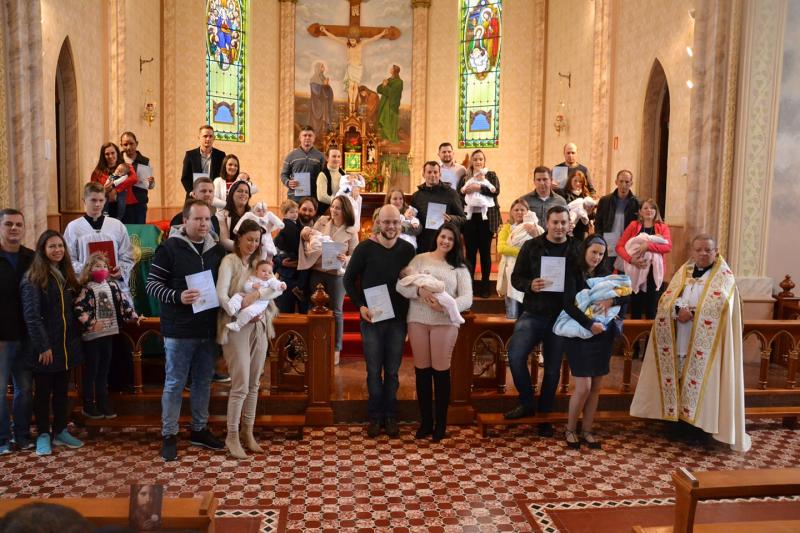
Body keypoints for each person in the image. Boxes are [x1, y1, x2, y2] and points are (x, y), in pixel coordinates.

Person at [630, 234, 751, 452]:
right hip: (680, 337)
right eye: (699, 250)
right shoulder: (683, 272)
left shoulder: (724, 277)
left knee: (699, 383)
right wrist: (678, 310)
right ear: (692, 251)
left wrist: (693, 312)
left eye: (708, 249)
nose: (703, 253)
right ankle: (676, 424)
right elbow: (667, 299)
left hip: (706, 345)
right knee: (677, 378)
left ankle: (698, 428)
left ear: (715, 252)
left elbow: (723, 305)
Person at [146, 199, 227, 461]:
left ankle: (199, 429)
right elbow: (152, 285)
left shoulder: (217, 250)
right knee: (174, 383)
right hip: (179, 330)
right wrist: (178, 296)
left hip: (207, 328)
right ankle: (169, 434)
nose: (204, 224)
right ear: (185, 221)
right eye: (198, 219)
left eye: (207, 219)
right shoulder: (169, 248)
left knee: (203, 382)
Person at [343, 205, 415, 437]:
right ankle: (375, 417)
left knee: (392, 372)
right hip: (372, 319)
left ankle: (391, 416)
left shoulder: (408, 249)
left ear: (400, 223)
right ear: (378, 223)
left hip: (397, 321)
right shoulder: (365, 248)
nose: (391, 226)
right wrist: (360, 306)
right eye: (386, 222)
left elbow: (413, 283)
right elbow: (348, 279)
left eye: (395, 222)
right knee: (373, 371)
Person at [504, 206, 576, 437]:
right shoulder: (532, 246)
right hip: (534, 312)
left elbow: (587, 276)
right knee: (515, 355)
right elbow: (516, 278)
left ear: (568, 224)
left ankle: (544, 415)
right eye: (555, 222)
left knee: (553, 370)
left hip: (561, 317)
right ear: (547, 222)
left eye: (563, 222)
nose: (559, 227)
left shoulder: (575, 248)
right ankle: (527, 403)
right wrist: (529, 285)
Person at [397, 223, 472, 442]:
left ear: (455, 243)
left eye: (450, 239)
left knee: (440, 373)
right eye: (443, 237)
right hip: (418, 320)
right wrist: (418, 290)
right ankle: (426, 422)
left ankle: (441, 423)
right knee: (422, 371)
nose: (446, 241)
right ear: (437, 237)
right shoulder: (420, 259)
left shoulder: (459, 267)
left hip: (445, 323)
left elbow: (467, 298)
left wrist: (446, 307)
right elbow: (401, 286)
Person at [216, 220, 279, 459]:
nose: (253, 244)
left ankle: (248, 432)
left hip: (260, 325)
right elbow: (221, 294)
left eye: (256, 240)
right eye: (249, 239)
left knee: (254, 383)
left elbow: (270, 289)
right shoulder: (229, 261)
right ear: (239, 238)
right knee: (240, 384)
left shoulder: (258, 264)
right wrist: (240, 307)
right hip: (236, 328)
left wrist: (263, 306)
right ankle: (231, 436)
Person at [559, 236, 628, 450]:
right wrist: (589, 324)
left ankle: (587, 430)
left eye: (601, 253)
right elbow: (568, 305)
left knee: (597, 386)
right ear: (584, 250)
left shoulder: (606, 273)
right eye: (593, 252)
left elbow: (626, 296)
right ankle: (571, 428)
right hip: (580, 333)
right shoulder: (572, 271)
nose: (597, 257)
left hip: (602, 334)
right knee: (584, 386)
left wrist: (613, 301)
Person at [20, 230, 84, 455]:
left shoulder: (64, 273)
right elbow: (32, 315)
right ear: (42, 250)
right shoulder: (34, 277)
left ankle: (60, 431)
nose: (57, 250)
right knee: (43, 393)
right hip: (45, 348)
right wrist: (43, 346)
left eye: (60, 246)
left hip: (65, 346)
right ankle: (44, 434)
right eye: (52, 246)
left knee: (61, 392)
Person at [74, 252, 138, 420]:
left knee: (104, 370)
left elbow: (123, 303)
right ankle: (88, 404)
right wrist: (91, 323)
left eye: (104, 266)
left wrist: (132, 314)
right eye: (97, 266)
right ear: (90, 269)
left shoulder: (112, 285)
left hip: (109, 333)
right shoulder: (86, 288)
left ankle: (103, 402)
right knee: (92, 370)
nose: (101, 269)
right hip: (92, 336)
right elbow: (79, 308)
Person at [299, 196, 359, 364]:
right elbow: (309, 237)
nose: (333, 210)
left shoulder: (351, 231)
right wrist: (305, 235)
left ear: (345, 210)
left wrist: (345, 258)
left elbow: (355, 254)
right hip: (318, 270)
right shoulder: (322, 221)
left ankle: (336, 349)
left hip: (337, 275)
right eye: (333, 207)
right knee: (313, 307)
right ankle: (313, 345)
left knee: (337, 311)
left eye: (338, 208)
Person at [0, 209, 34, 453]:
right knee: (0, 390)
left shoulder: (31, 258)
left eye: (18, 224)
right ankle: (2, 439)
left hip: (26, 334)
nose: (14, 228)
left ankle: (21, 434)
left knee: (25, 388)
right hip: (1, 336)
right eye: (8, 224)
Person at [64, 182, 135, 298]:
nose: (97, 204)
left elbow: (127, 256)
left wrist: (121, 270)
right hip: (86, 288)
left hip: (113, 286)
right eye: (93, 200)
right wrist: (89, 270)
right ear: (84, 200)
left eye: (101, 200)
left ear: (105, 200)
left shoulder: (117, 226)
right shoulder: (74, 227)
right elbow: (68, 259)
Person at [616, 198, 672, 319]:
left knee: (651, 308)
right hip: (635, 269)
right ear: (640, 211)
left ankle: (649, 338)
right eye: (645, 208)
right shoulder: (633, 225)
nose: (649, 210)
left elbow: (668, 247)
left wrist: (648, 246)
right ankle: (635, 337)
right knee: (636, 306)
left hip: (653, 272)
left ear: (656, 211)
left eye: (652, 208)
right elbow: (619, 247)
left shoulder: (662, 227)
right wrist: (632, 260)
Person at [457, 150, 500, 297]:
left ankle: (485, 285)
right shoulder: (465, 178)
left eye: (481, 159)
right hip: (470, 220)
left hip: (486, 220)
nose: (478, 161)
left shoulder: (491, 175)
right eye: (475, 159)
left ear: (484, 161)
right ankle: (469, 286)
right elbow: (459, 196)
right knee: (470, 254)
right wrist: (468, 196)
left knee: (485, 253)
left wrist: (479, 188)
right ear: (472, 162)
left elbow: (496, 192)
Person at [318, 26, 389, 114]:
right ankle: (351, 104)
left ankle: (353, 101)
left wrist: (382, 33)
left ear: (357, 39)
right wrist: (325, 31)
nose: (352, 42)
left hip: (358, 68)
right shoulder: (347, 45)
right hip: (351, 67)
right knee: (351, 86)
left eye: (353, 40)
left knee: (355, 86)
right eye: (350, 40)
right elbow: (334, 38)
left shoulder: (361, 44)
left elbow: (373, 39)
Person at [496, 199, 543, 319]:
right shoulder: (506, 228)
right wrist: (524, 252)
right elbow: (501, 248)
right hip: (510, 269)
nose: (519, 212)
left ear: (528, 212)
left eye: (522, 210)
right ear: (511, 212)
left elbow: (540, 246)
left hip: (528, 271)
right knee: (512, 305)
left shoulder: (534, 228)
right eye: (516, 209)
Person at [410, 161, 466, 254]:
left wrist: (451, 218)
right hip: (423, 245)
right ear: (423, 174)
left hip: (444, 243)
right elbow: (413, 219)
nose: (432, 175)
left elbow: (463, 219)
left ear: (440, 174)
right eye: (429, 172)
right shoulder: (417, 196)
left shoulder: (451, 193)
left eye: (435, 172)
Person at [274, 197, 318, 313]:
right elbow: (274, 250)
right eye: (303, 209)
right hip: (287, 276)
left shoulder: (319, 227)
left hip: (308, 280)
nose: (306, 213)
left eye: (310, 210)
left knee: (305, 316)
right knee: (284, 314)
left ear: (315, 212)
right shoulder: (286, 225)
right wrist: (281, 261)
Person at [594, 170, 640, 269]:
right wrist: (599, 239)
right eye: (621, 181)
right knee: (606, 271)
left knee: (625, 273)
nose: (624, 185)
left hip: (627, 243)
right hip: (609, 241)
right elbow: (598, 223)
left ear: (631, 183)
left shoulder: (637, 203)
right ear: (616, 182)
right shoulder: (605, 200)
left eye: (627, 182)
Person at [225, 259, 285, 332]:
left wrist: (281, 285)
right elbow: (245, 287)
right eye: (263, 271)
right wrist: (252, 286)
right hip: (247, 296)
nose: (266, 274)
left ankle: (238, 325)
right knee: (237, 296)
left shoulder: (270, 281)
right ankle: (232, 308)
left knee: (248, 311)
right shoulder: (252, 279)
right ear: (256, 271)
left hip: (260, 303)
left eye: (269, 272)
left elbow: (276, 284)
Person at [398, 266, 465, 325]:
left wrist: (441, 309)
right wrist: (419, 290)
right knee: (451, 302)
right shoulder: (415, 279)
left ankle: (454, 316)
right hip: (435, 294)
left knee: (451, 303)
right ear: (409, 275)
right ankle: (455, 317)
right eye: (414, 270)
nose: (417, 270)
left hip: (439, 297)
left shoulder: (419, 276)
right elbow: (400, 286)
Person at [89, 142, 138, 220]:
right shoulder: (97, 172)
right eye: (107, 154)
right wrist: (104, 191)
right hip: (106, 209)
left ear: (117, 153)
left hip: (126, 207)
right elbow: (92, 192)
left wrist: (115, 190)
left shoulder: (126, 166)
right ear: (103, 156)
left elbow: (134, 178)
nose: (110, 156)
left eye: (113, 153)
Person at [280, 126, 325, 203]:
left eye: (310, 135)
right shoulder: (291, 155)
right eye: (305, 135)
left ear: (314, 138)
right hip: (294, 197)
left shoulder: (320, 156)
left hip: (313, 198)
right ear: (300, 138)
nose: (307, 137)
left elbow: (325, 175)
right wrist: (288, 182)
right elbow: (283, 174)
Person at [120, 131, 157, 224]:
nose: (128, 147)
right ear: (121, 145)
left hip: (139, 204)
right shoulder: (118, 159)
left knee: (139, 232)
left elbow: (150, 185)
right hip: (121, 203)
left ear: (137, 143)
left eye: (131, 143)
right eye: (125, 144)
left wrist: (151, 182)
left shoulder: (145, 161)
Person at [180, 125, 226, 195]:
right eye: (205, 136)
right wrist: (191, 192)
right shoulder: (190, 155)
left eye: (210, 136)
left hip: (213, 196)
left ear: (214, 138)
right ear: (199, 138)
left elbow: (224, 176)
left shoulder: (221, 155)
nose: (208, 139)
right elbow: (185, 178)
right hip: (194, 196)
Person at [217, 180, 252, 252]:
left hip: (251, 252)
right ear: (232, 194)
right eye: (240, 191)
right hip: (231, 254)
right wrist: (244, 249)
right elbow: (224, 241)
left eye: (246, 192)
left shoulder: (252, 214)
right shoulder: (221, 215)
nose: (243, 194)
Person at [315, 147, 346, 215]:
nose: (336, 159)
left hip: (342, 211)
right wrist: (338, 203)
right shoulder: (322, 175)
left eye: (338, 156)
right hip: (327, 212)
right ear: (327, 158)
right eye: (334, 156)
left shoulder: (343, 173)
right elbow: (321, 197)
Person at [377, 64, 403, 143]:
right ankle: (385, 138)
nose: (390, 69)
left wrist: (385, 86)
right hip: (385, 104)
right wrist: (384, 85)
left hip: (391, 105)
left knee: (388, 121)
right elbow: (379, 89)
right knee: (384, 120)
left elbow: (392, 93)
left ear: (394, 71)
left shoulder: (399, 82)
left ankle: (389, 138)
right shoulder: (389, 80)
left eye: (392, 68)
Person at [308, 61, 334, 137]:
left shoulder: (323, 77)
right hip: (316, 104)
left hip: (324, 103)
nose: (324, 68)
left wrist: (327, 86)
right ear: (318, 68)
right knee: (317, 120)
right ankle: (316, 134)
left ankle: (324, 134)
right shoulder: (314, 79)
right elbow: (316, 92)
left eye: (323, 67)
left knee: (324, 119)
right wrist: (324, 85)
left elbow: (327, 91)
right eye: (322, 67)